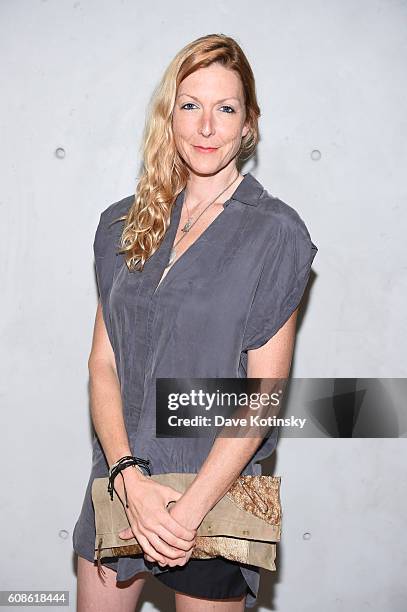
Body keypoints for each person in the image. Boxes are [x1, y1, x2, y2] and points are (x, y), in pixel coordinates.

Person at [72, 33, 318, 611]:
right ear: (170, 115)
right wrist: (130, 481)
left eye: (225, 108)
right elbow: (103, 364)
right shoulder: (121, 224)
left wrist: (184, 514)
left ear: (248, 122)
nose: (206, 127)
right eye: (190, 105)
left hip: (213, 497)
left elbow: (263, 394)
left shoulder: (275, 233)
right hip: (119, 484)